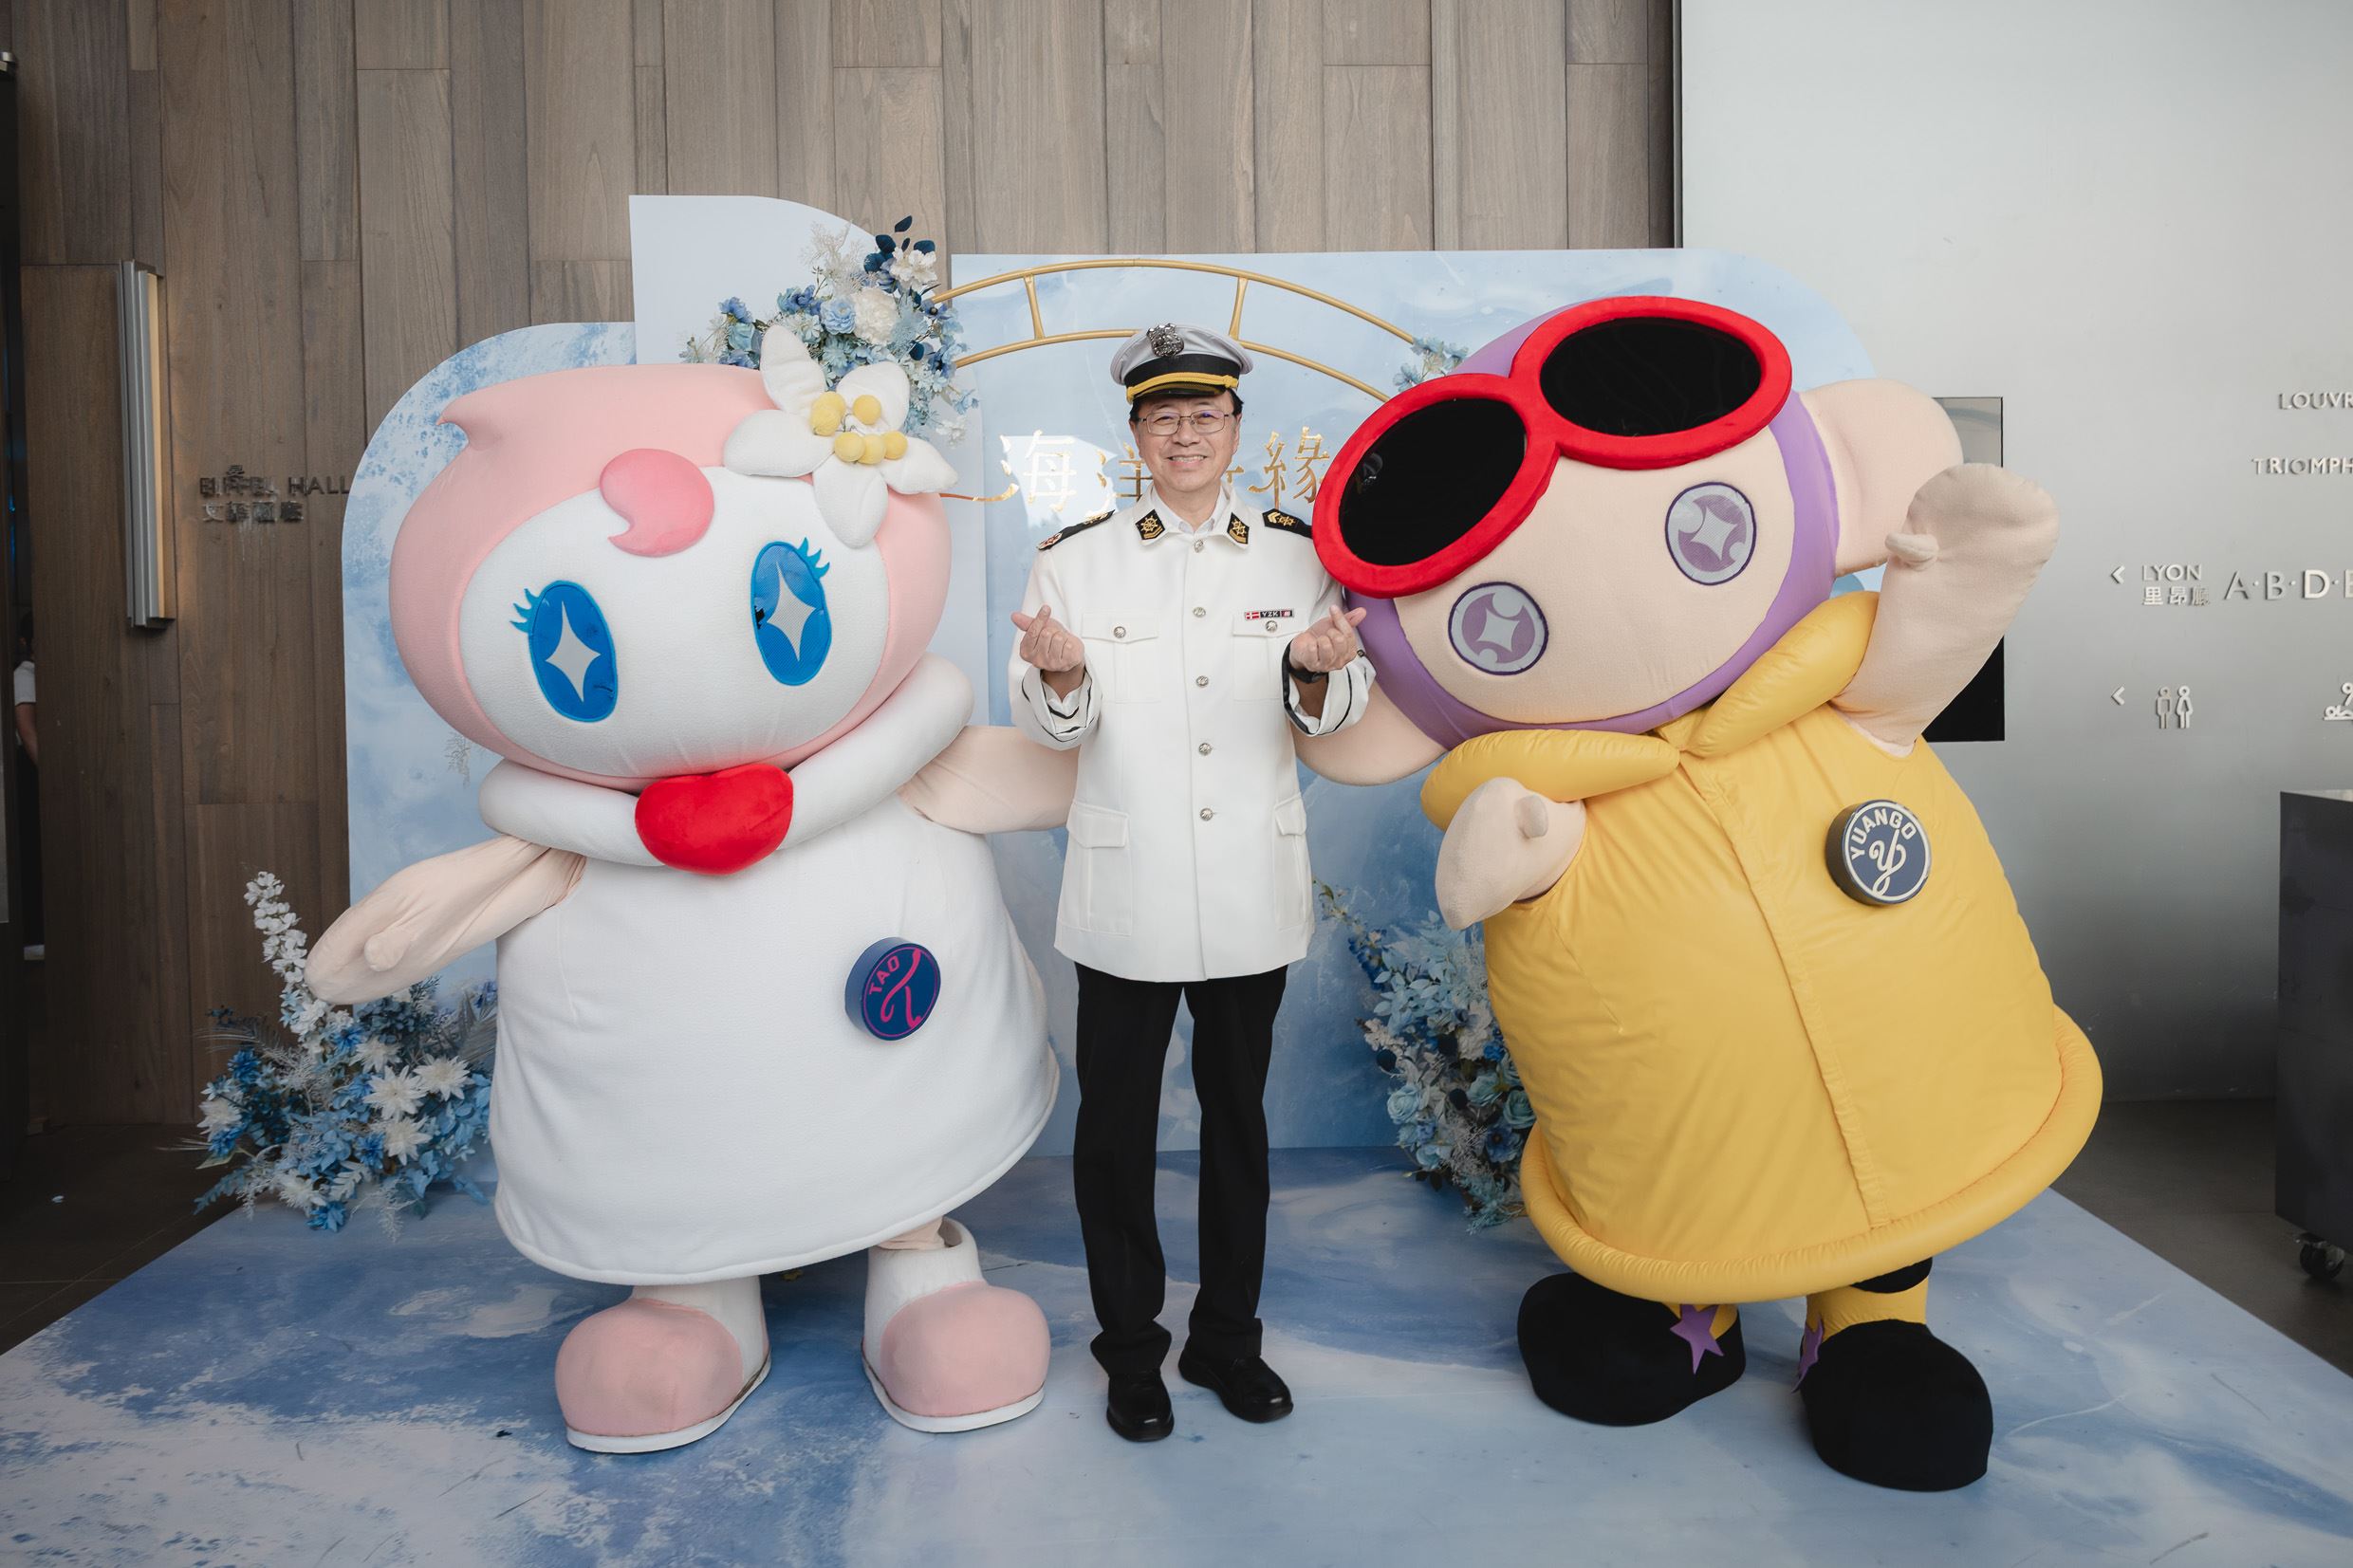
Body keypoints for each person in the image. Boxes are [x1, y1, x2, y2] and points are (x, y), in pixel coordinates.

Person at [1008, 323, 1373, 1442]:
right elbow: (1051, 723)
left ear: (1234, 429)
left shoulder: (1295, 557)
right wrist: (1059, 677)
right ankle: (1129, 1354)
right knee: (1114, 1134)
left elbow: (1336, 710)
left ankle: (1225, 1339)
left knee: (1236, 1128)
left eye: (1202, 415)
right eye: (1161, 416)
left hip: (1249, 883)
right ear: (1134, 435)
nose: (1183, 434)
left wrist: (1315, 674)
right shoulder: (1076, 562)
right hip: (1126, 891)